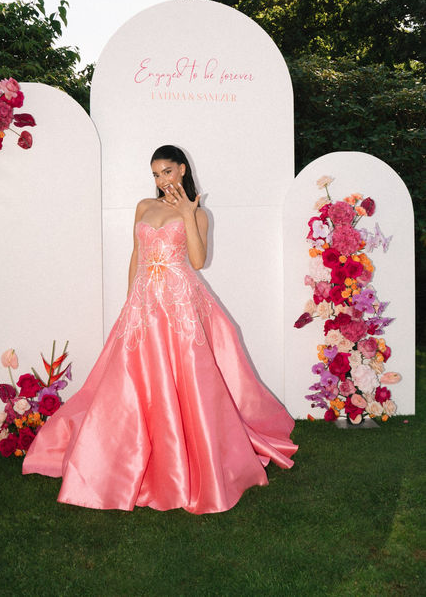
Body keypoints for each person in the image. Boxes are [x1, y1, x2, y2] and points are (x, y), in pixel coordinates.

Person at [23, 145, 298, 514]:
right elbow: (136, 255)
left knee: (188, 381)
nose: (162, 179)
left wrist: (186, 213)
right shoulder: (144, 206)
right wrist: (129, 303)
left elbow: (198, 260)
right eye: (156, 174)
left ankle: (188, 460)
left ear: (182, 169)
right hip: (143, 306)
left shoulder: (197, 213)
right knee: (132, 384)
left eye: (167, 171)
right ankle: (123, 458)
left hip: (179, 305)